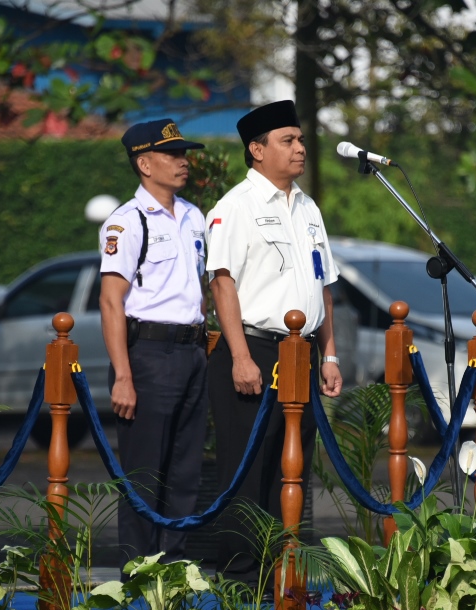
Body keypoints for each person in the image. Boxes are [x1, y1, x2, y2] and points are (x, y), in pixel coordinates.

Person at [205, 100, 343, 584]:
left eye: (301, 139)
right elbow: (222, 283)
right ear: (256, 150)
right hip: (254, 350)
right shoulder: (234, 207)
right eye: (288, 140)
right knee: (248, 469)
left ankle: (284, 571)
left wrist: (329, 353)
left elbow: (323, 285)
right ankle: (243, 579)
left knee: (293, 466)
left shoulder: (307, 207)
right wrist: (240, 356)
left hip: (300, 351)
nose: (300, 148)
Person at [98, 118, 209, 570]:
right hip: (148, 355)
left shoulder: (194, 216)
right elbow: (110, 302)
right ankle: (139, 576)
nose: (183, 162)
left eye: (184, 153)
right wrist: (123, 375)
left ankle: (175, 571)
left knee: (184, 472)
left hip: (191, 352)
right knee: (145, 475)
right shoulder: (126, 222)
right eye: (172, 154)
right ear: (144, 163)